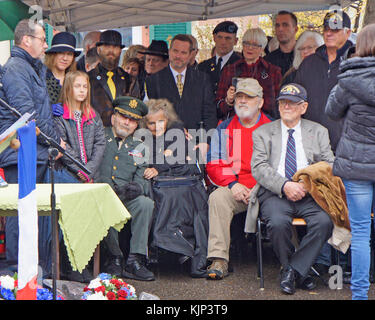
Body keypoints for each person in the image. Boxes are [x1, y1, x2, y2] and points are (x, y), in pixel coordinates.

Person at [247, 83, 334, 294]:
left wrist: (307, 183)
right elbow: (258, 167)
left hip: (309, 193)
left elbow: (329, 165)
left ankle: (292, 271)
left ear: (303, 107)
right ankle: (299, 271)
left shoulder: (319, 131)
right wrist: (285, 185)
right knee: (277, 223)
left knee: (325, 222)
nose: (287, 106)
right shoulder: (263, 132)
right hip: (275, 192)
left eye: (292, 103)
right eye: (283, 102)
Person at [0, 19, 64, 270]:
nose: (46, 45)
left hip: (33, 152)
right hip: (22, 153)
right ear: (27, 40)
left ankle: (36, 272)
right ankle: (18, 274)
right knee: (21, 214)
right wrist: (55, 141)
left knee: (34, 214)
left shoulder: (31, 67)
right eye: (42, 39)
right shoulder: (17, 68)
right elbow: (26, 114)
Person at [325, 23, 375, 300]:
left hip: (356, 165)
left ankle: (359, 296)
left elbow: (331, 112)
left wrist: (344, 75)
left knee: (360, 233)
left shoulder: (349, 77)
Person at [205, 78, 271, 280]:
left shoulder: (273, 128)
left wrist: (261, 187)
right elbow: (214, 163)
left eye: (249, 97)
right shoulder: (224, 128)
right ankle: (219, 259)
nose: (242, 101)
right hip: (237, 187)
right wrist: (233, 184)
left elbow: (280, 167)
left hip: (267, 189)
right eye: (240, 97)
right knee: (218, 198)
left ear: (260, 102)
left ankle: (293, 256)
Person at [141, 98, 209, 277]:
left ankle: (186, 249)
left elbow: (183, 160)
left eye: (161, 121)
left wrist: (159, 166)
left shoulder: (178, 132)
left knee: (189, 198)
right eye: (151, 123)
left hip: (185, 184)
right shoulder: (143, 138)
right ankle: (175, 247)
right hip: (164, 188)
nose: (157, 126)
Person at [98, 96, 155, 281]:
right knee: (106, 204)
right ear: (114, 117)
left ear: (136, 126)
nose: (127, 122)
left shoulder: (140, 147)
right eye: (123, 117)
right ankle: (114, 257)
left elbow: (142, 178)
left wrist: (136, 187)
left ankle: (135, 260)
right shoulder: (99, 136)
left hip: (127, 195)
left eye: (132, 120)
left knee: (145, 203)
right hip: (102, 193)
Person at [294, 10, 352, 153]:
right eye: (326, 29)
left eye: (335, 29)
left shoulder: (356, 63)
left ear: (348, 33)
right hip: (310, 145)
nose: (328, 33)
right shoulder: (308, 63)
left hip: (345, 148)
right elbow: (295, 100)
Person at [146, 34, 218, 132]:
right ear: (169, 52)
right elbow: (154, 116)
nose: (178, 56)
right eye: (175, 51)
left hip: (197, 140)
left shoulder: (202, 79)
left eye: (183, 53)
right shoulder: (153, 81)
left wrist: (205, 141)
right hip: (167, 141)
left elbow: (209, 113)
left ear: (190, 55)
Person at [216, 28, 282, 120]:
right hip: (236, 126)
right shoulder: (229, 70)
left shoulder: (273, 72)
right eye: (246, 43)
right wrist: (228, 101)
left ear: (262, 48)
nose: (250, 48)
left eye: (255, 45)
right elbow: (218, 109)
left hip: (264, 126)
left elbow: (278, 106)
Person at [88, 30, 132, 127]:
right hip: (97, 134)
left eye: (115, 47)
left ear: (120, 51)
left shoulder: (128, 78)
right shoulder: (88, 78)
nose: (111, 51)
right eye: (107, 46)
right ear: (98, 49)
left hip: (124, 132)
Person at [198, 21, 242, 97]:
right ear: (214, 38)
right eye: (219, 37)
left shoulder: (241, 65)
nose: (223, 42)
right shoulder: (203, 67)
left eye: (228, 38)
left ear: (235, 41)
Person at [44, 32, 80, 106]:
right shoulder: (41, 78)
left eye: (69, 54)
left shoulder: (76, 79)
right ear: (52, 55)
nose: (65, 58)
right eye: (61, 53)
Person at [264, 11, 298, 76]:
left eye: (285, 25)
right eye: (277, 25)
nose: (280, 29)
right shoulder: (267, 61)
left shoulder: (304, 57)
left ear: (295, 29)